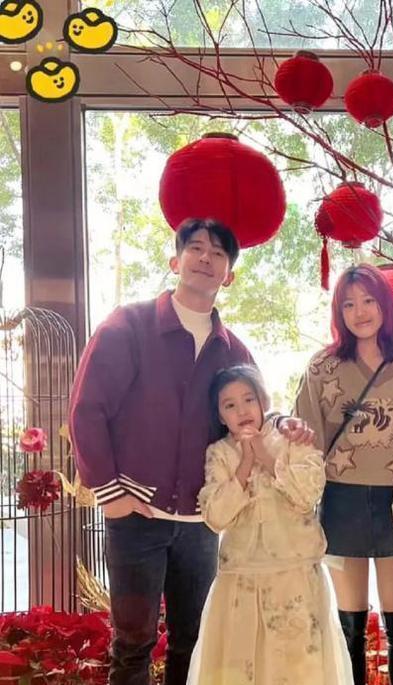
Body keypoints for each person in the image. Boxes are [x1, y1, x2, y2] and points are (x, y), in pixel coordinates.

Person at [69, 218, 311, 685]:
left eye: (218, 253)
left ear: (229, 275)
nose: (205, 258)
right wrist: (110, 493)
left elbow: (254, 413)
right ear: (175, 261)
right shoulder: (128, 325)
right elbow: (87, 409)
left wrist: (284, 423)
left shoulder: (233, 350)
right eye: (196, 248)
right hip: (135, 515)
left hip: (201, 522)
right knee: (132, 645)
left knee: (194, 641)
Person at [295, 263, 393, 685]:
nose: (360, 312)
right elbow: (306, 444)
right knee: (349, 626)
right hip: (341, 501)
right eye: (349, 304)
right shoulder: (321, 368)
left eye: (369, 300)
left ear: (385, 305)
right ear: (338, 312)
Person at [187, 364, 352, 685]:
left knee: (300, 668)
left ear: (263, 400)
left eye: (249, 399)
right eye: (229, 405)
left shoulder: (294, 439)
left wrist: (265, 456)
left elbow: (308, 496)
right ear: (220, 415)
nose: (242, 411)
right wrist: (245, 466)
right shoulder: (219, 454)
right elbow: (216, 517)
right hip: (241, 579)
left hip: (295, 574)